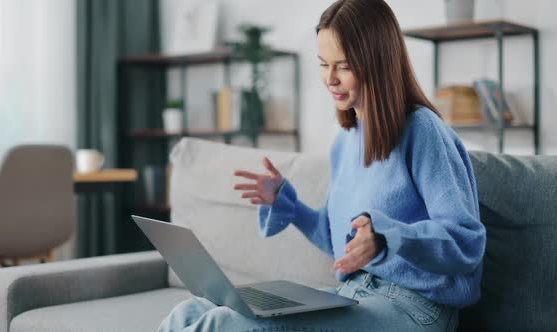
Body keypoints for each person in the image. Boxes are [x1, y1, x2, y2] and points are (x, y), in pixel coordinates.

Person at [158, 0, 486, 331]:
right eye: (323, 63)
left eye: (343, 66)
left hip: (415, 308)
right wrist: (290, 206)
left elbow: (465, 242)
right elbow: (340, 244)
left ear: (378, 62)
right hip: (354, 292)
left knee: (226, 324)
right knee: (193, 310)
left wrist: (386, 237)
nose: (329, 79)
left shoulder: (422, 130)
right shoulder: (346, 141)